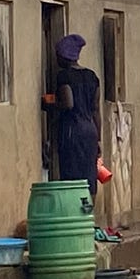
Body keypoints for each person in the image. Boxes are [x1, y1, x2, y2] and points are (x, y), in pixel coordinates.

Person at [45, 34, 102, 200]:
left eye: (57, 55)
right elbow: (96, 109)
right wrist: (98, 138)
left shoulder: (64, 76)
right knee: (89, 177)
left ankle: (74, 215)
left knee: (72, 177)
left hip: (72, 131)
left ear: (64, 56)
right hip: (90, 131)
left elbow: (68, 103)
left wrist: (49, 105)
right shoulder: (92, 77)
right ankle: (89, 216)